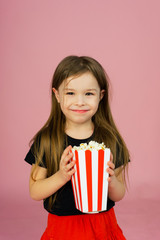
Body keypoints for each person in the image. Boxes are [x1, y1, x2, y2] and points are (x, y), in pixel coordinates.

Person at [24, 55, 130, 240]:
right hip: (63, 228)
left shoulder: (110, 139)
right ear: (57, 95)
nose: (79, 101)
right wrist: (62, 175)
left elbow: (119, 193)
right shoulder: (48, 140)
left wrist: (111, 181)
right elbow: (35, 191)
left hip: (102, 227)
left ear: (101, 96)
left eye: (89, 93)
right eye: (70, 93)